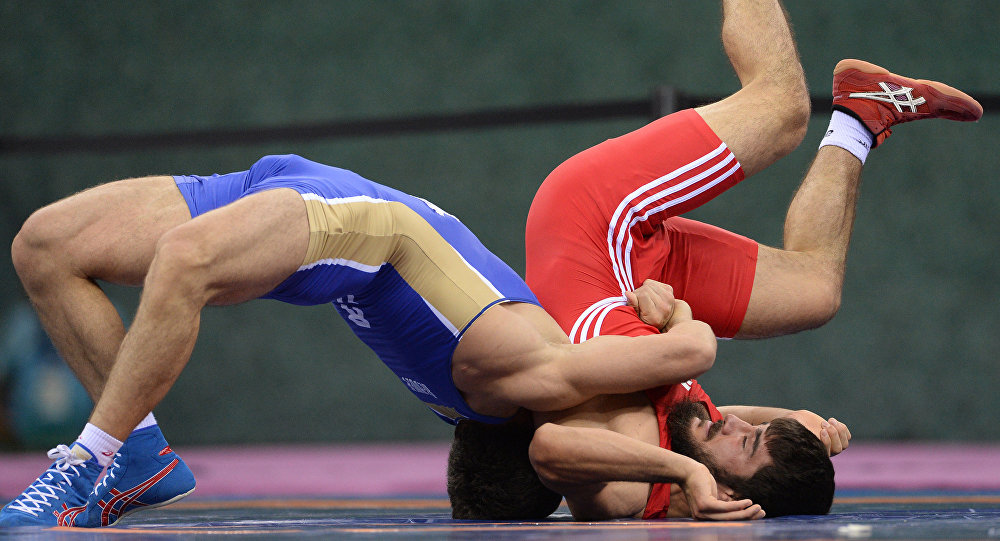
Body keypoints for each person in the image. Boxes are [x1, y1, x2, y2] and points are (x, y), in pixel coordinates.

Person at [449, 0, 982, 521]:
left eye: (747, 445)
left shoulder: (624, 495)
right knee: (816, 291)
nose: (731, 425)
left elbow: (549, 450)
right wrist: (788, 422)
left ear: (727, 493)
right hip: (645, 279)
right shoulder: (696, 441)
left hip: (594, 220)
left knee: (781, 111)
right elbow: (707, 417)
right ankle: (862, 117)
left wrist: (683, 470)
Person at [1, 162, 741, 526]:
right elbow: (691, 365)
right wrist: (668, 312)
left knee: (185, 261)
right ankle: (139, 453)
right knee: (44, 247)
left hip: (353, 224)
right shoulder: (524, 386)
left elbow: (690, 359)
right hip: (297, 187)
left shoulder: (531, 378)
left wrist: (668, 315)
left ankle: (91, 459)